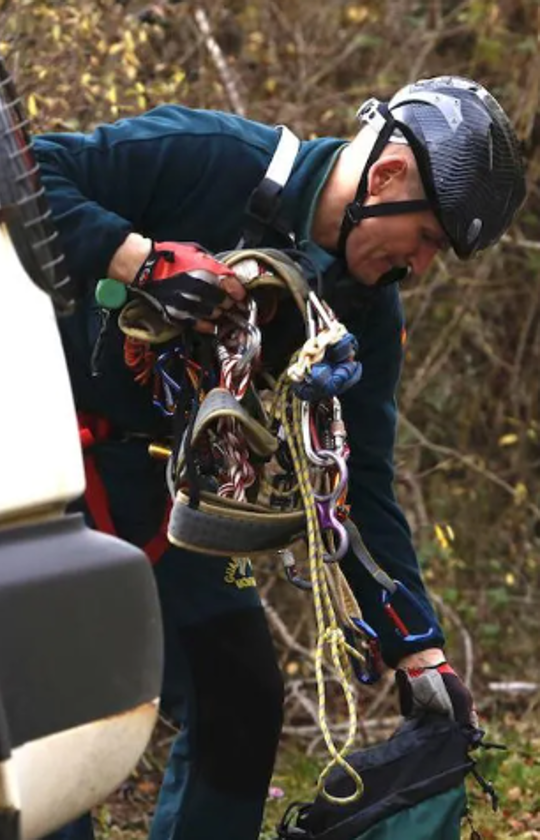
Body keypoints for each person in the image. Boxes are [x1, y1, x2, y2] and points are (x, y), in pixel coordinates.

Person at [32, 76, 527, 840]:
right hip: (48, 460)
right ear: (387, 178)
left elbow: (361, 483)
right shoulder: (214, 156)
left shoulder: (360, 306)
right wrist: (143, 259)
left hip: (174, 492)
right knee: (61, 714)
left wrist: (417, 646)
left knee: (241, 699)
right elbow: (27, 170)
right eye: (427, 237)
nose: (421, 266)